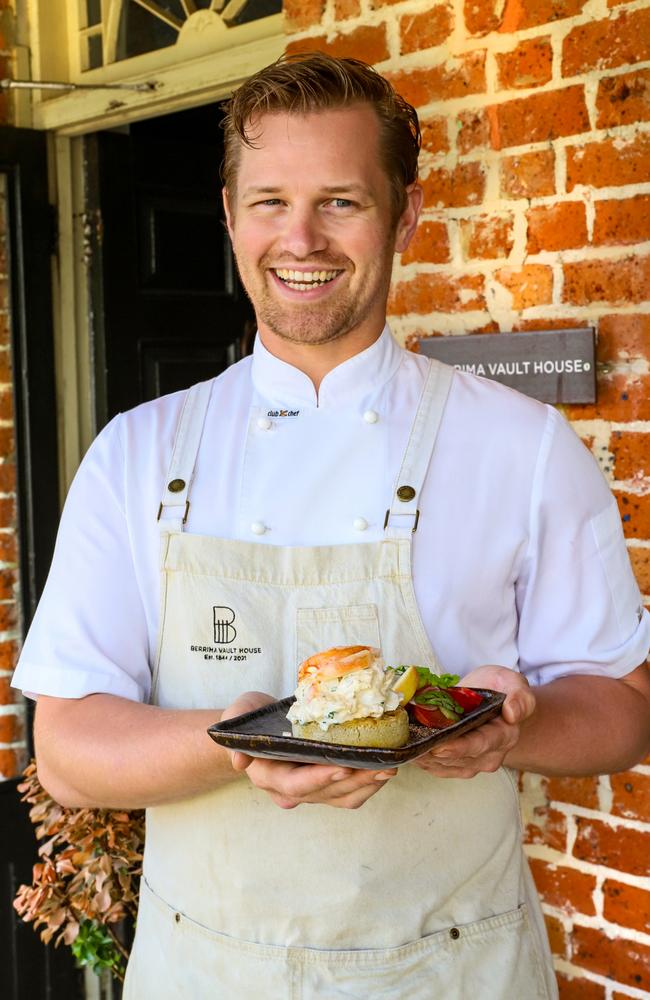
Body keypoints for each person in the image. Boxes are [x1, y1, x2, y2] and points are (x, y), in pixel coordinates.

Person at [13, 53, 650, 999]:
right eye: (269, 200)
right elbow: (65, 751)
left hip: (454, 968)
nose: (300, 237)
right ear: (229, 214)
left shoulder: (523, 446)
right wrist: (235, 740)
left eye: (342, 201)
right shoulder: (137, 453)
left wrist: (513, 730)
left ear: (407, 215)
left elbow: (623, 710)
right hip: (206, 970)